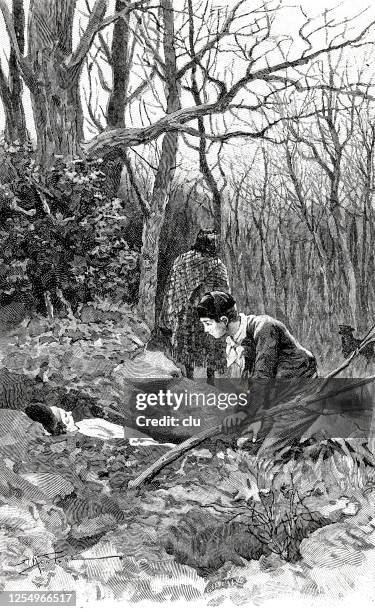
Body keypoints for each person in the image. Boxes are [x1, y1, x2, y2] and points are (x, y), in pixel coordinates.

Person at [196, 291, 318, 439]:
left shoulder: (265, 328)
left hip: (301, 393)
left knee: (269, 453)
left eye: (208, 324)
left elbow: (262, 377)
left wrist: (245, 414)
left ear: (224, 320)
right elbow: (248, 384)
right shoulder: (238, 339)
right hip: (277, 396)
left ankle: (325, 449)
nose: (205, 329)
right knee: (244, 444)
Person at [158, 229, 230, 382]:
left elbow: (172, 289)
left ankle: (189, 382)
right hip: (209, 315)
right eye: (214, 242)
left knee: (187, 352)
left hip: (186, 314)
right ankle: (211, 385)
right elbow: (224, 293)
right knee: (212, 352)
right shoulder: (218, 266)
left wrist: (169, 314)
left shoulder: (181, 261)